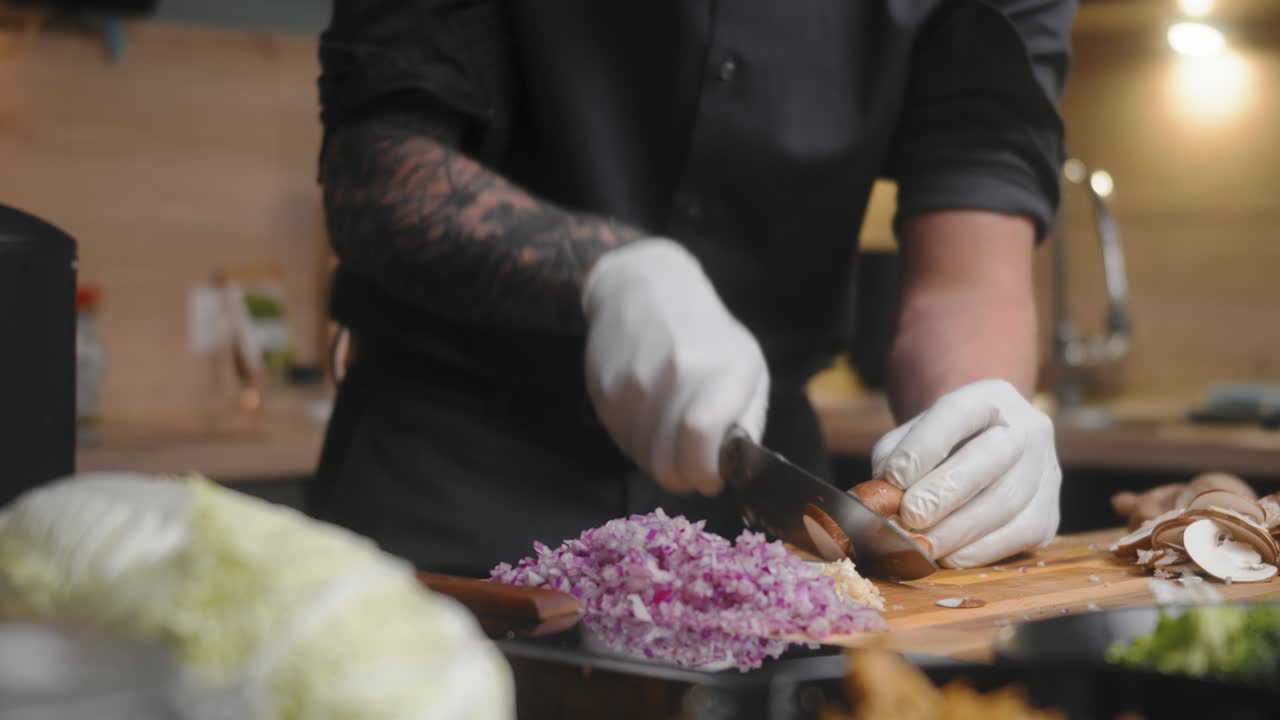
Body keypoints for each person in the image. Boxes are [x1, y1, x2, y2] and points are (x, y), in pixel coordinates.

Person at [307, 0, 1075, 577]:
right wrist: (606, 271)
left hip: (764, 530)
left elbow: (966, 279)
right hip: (446, 489)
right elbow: (372, 171)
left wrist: (977, 433)